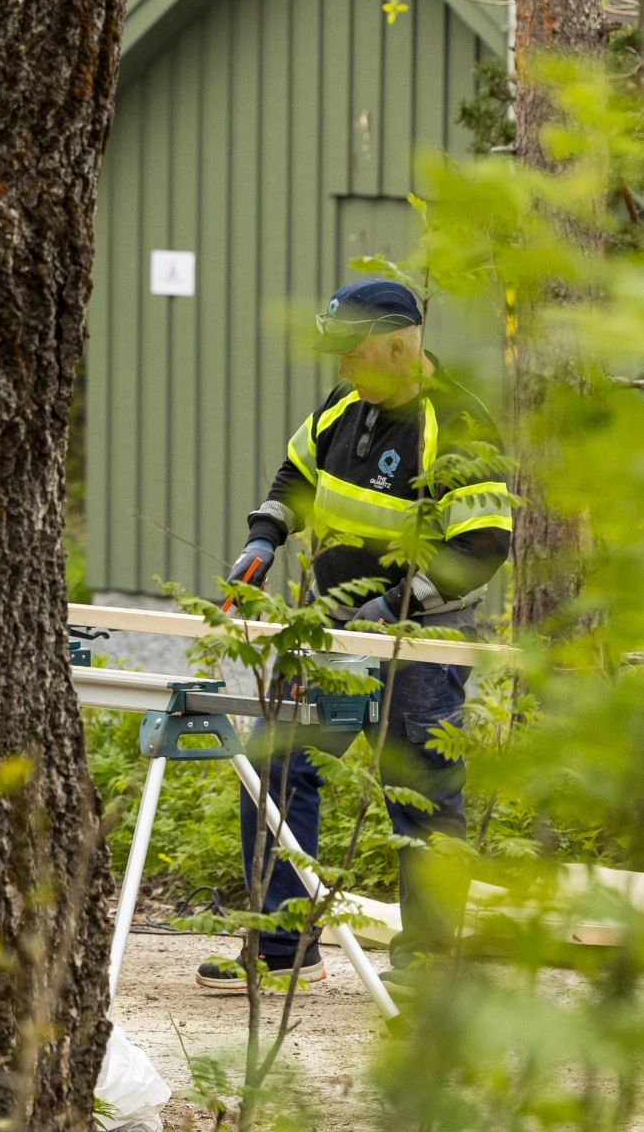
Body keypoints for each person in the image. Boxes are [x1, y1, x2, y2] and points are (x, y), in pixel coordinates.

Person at [197, 278, 511, 993]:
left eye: (353, 352)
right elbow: (296, 474)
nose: (340, 367)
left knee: (421, 797)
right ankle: (283, 946)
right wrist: (265, 536)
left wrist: (389, 608)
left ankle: (428, 962)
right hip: (332, 633)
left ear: (400, 345)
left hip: (419, 647)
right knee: (276, 768)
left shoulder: (460, 424)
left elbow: (482, 545)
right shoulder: (345, 405)